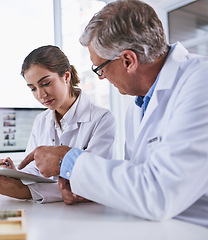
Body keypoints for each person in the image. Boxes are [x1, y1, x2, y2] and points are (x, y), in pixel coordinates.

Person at [18, 0, 208, 227]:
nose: (101, 77)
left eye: (100, 68)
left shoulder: (200, 83)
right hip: (157, 226)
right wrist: (90, 189)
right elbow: (135, 181)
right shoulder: (137, 107)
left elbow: (159, 194)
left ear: (128, 60)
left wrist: (66, 160)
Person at [0, 45, 116, 203]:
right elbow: (35, 168)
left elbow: (94, 178)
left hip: (89, 213)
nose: (41, 95)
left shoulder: (102, 119)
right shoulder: (41, 120)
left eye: (46, 83)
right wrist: (15, 174)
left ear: (66, 76)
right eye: (33, 89)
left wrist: (27, 192)